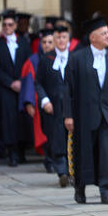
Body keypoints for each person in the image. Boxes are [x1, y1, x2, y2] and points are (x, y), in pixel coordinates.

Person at [63, 16, 108, 205]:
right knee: (84, 153)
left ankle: (106, 191)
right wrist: (68, 115)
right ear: (92, 37)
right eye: (104, 33)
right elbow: (68, 89)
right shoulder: (77, 58)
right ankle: (80, 188)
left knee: (107, 153)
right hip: (84, 115)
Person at [0, 10, 32, 166]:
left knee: (22, 118)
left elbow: (28, 65)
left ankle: (22, 150)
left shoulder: (24, 43)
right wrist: (10, 83)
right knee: (8, 120)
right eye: (5, 24)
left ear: (15, 26)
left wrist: (21, 82)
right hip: (6, 88)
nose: (7, 27)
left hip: (22, 87)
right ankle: (12, 152)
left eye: (10, 24)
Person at [35, 26, 71, 188]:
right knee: (57, 140)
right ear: (54, 40)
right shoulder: (46, 59)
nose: (61, 40)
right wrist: (44, 100)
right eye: (58, 38)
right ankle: (62, 172)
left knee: (73, 140)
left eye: (64, 37)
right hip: (54, 107)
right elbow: (38, 83)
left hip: (72, 107)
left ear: (68, 39)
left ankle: (72, 172)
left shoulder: (76, 58)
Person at [19, 29, 55, 172]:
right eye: (44, 42)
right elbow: (28, 83)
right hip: (40, 102)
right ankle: (49, 159)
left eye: (50, 42)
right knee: (44, 132)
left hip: (57, 102)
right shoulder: (33, 60)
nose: (47, 45)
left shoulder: (61, 59)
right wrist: (28, 102)